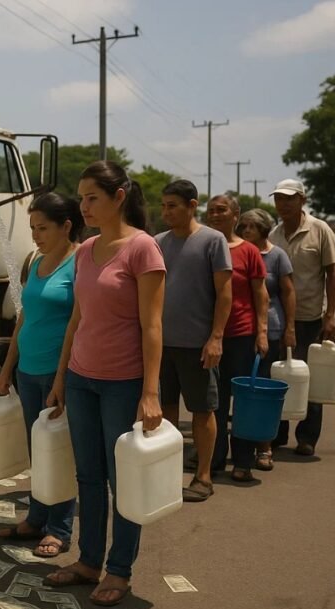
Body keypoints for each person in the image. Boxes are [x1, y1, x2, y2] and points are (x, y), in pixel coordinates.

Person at [43, 161, 165, 607]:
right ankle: (89, 561)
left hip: (123, 382)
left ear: (119, 197)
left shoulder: (143, 249)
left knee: (122, 480)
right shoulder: (84, 250)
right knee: (88, 476)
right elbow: (76, 319)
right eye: (81, 197)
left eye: (93, 197)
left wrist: (150, 392)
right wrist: (60, 379)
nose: (84, 205)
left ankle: (119, 571)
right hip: (79, 379)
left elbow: (152, 327)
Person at [0, 193, 84, 558]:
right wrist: (6, 369)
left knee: (60, 453)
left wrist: (62, 379)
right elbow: (23, 318)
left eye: (43, 228)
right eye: (32, 228)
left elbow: (79, 323)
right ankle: (36, 517)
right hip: (27, 371)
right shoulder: (33, 260)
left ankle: (59, 529)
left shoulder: (81, 262)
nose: (35, 235)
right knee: (38, 451)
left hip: (57, 372)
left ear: (66, 226)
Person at [154, 181, 232, 502]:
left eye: (173, 205)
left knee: (202, 411)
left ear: (192, 205)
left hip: (198, 345)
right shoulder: (159, 242)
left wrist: (216, 337)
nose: (167, 212)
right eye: (164, 206)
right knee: (167, 411)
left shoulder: (213, 241)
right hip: (163, 345)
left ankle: (203, 475)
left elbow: (225, 293)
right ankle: (168, 474)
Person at [268, 179, 335, 457]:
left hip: (310, 317)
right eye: (279, 199)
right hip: (278, 319)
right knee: (280, 375)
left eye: (289, 199)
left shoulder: (319, 229)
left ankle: (307, 437)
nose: (283, 204)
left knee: (309, 377)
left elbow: (334, 273)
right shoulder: (273, 235)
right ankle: (278, 432)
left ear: (302, 199)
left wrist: (330, 316)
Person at [206, 195, 269, 482]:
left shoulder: (249, 252)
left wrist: (262, 332)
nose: (216, 215)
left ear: (236, 214)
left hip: (242, 335)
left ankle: (242, 460)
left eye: (222, 210)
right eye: (211, 211)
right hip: (207, 338)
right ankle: (213, 459)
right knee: (213, 402)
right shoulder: (204, 245)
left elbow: (260, 294)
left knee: (241, 402)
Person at [237, 208, 297, 471]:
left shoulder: (276, 255)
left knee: (262, 390)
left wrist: (290, 328)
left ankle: (264, 447)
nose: (246, 230)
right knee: (242, 391)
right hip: (240, 330)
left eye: (252, 226)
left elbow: (287, 292)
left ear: (263, 228)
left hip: (269, 330)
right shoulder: (236, 252)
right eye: (243, 226)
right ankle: (240, 447)